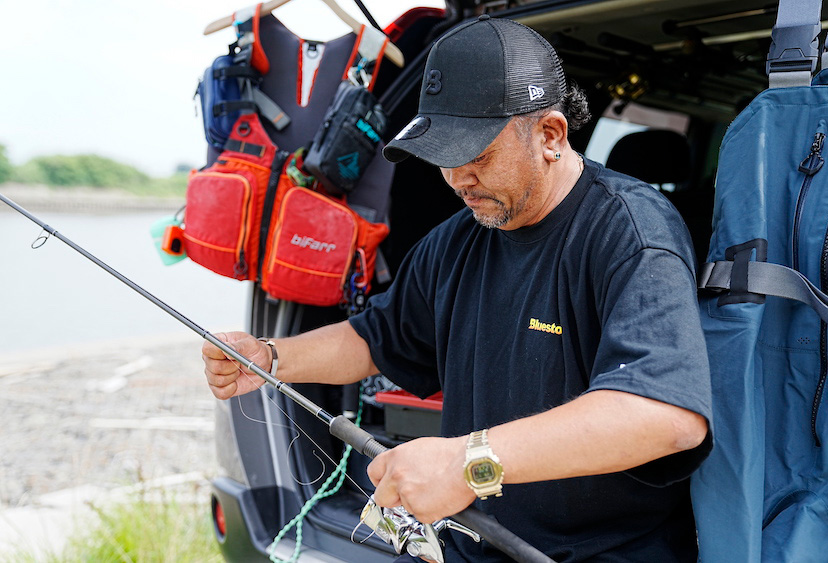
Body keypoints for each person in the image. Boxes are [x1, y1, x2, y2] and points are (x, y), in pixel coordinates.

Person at [202, 15, 712, 562]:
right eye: (444, 155)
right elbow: (378, 338)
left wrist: (468, 462)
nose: (457, 178)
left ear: (550, 135)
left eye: (479, 155)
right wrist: (270, 356)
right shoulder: (458, 239)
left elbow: (667, 417)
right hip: (473, 547)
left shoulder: (632, 232)